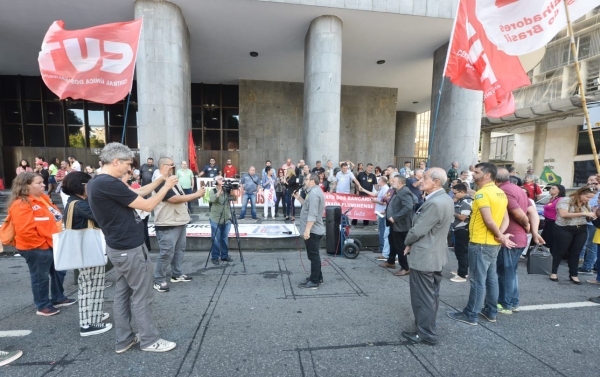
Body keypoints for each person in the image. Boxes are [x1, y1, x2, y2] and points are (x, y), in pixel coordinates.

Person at [87, 143, 179, 353]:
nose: (130, 169)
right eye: (128, 164)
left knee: (123, 293)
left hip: (119, 248)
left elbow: (140, 193)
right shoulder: (108, 184)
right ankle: (149, 340)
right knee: (142, 295)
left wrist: (162, 179)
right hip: (129, 248)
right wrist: (165, 187)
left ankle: (124, 339)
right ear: (116, 161)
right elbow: (147, 205)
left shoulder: (99, 182)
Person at [447, 163, 513, 326]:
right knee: (491, 279)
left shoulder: (482, 194)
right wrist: (500, 236)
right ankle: (490, 311)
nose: (473, 175)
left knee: (477, 280)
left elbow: (488, 220)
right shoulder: (500, 193)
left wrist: (500, 236)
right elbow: (506, 219)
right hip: (492, 243)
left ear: (487, 175)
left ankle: (471, 314)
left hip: (480, 242)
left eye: (476, 172)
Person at [8, 172, 75, 316]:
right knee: (40, 276)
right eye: (38, 183)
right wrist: (43, 245)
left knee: (59, 271)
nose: (43, 185)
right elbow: (25, 231)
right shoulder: (21, 204)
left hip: (50, 243)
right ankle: (42, 305)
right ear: (26, 186)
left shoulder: (43, 198)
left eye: (42, 182)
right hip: (36, 247)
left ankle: (58, 297)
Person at [401, 168, 454, 345]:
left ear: (436, 182)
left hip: (425, 257)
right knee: (431, 296)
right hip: (435, 255)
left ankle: (425, 333)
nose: (420, 181)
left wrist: (407, 241)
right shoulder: (445, 199)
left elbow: (418, 230)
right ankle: (427, 328)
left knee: (422, 297)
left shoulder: (434, 203)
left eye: (425, 178)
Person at [62, 172, 113, 336]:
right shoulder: (79, 204)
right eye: (89, 185)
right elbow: (102, 217)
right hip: (86, 249)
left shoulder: (74, 202)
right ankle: (87, 324)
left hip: (84, 249)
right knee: (90, 285)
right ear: (82, 186)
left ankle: (94, 315)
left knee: (92, 284)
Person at [153, 157, 206, 293]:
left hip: (179, 220)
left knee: (179, 250)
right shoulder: (160, 181)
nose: (173, 167)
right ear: (163, 166)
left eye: (173, 165)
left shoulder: (171, 179)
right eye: (171, 165)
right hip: (167, 222)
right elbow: (174, 199)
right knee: (166, 253)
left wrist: (197, 195)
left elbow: (180, 196)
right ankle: (159, 280)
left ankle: (176, 274)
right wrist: (196, 195)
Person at [495, 168, 544, 314]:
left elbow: (520, 214)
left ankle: (506, 304)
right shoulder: (518, 191)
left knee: (505, 272)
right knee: (511, 272)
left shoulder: (503, 191)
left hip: (510, 237)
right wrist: (534, 232)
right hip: (519, 237)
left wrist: (527, 226)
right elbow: (533, 213)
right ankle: (513, 302)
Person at [551, 186, 597, 284]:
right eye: (588, 197)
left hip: (581, 229)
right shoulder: (566, 200)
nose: (589, 200)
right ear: (581, 194)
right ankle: (553, 272)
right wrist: (584, 214)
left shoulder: (586, 203)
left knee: (576, 252)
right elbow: (563, 214)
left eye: (591, 198)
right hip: (565, 228)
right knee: (560, 251)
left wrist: (593, 215)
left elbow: (587, 217)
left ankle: (573, 274)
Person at [294, 173, 326, 289]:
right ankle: (318, 277)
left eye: (307, 179)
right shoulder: (312, 192)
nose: (305, 181)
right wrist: (298, 198)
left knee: (313, 256)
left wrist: (307, 231)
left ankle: (314, 281)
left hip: (313, 230)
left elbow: (312, 214)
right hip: (313, 230)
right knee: (314, 255)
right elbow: (307, 206)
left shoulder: (313, 194)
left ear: (312, 181)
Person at [380, 176, 414, 276]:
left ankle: (405, 267)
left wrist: (395, 217)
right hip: (393, 223)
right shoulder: (397, 191)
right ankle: (391, 261)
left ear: (400, 183)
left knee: (400, 246)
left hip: (400, 224)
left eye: (393, 181)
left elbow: (408, 206)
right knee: (392, 241)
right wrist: (387, 211)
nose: (391, 182)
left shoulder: (404, 191)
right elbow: (395, 204)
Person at [362, 176, 390, 260]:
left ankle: (382, 248)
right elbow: (375, 194)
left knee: (382, 231)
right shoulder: (382, 188)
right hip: (380, 212)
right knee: (381, 231)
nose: (378, 182)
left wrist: (375, 201)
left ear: (382, 181)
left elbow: (385, 202)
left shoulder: (386, 189)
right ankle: (382, 248)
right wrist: (363, 190)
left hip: (382, 213)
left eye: (379, 180)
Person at [450, 183, 473, 283]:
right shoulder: (460, 200)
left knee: (461, 252)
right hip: (458, 229)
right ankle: (462, 269)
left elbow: (463, 217)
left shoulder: (466, 202)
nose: (453, 195)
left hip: (463, 229)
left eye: (455, 193)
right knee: (460, 251)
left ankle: (462, 274)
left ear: (462, 192)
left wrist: (451, 211)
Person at [209, 175, 233, 265]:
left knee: (224, 239)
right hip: (216, 219)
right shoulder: (213, 191)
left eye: (223, 179)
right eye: (220, 179)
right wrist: (220, 190)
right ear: (215, 182)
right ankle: (215, 257)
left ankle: (224, 255)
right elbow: (212, 199)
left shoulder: (226, 191)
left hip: (226, 219)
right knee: (215, 239)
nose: (222, 180)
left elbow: (234, 199)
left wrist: (232, 193)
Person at [579, 175, 599, 272]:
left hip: (594, 224)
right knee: (585, 243)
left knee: (591, 246)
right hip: (587, 221)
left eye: (594, 182)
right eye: (589, 181)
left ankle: (588, 267)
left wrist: (594, 212)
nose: (590, 183)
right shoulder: (591, 192)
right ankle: (586, 263)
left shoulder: (598, 194)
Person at [541, 184, 566, 252]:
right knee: (545, 239)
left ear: (559, 190)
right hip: (547, 221)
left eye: (553, 188)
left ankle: (551, 256)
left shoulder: (560, 200)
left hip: (553, 222)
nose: (550, 189)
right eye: (551, 188)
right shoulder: (551, 199)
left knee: (550, 240)